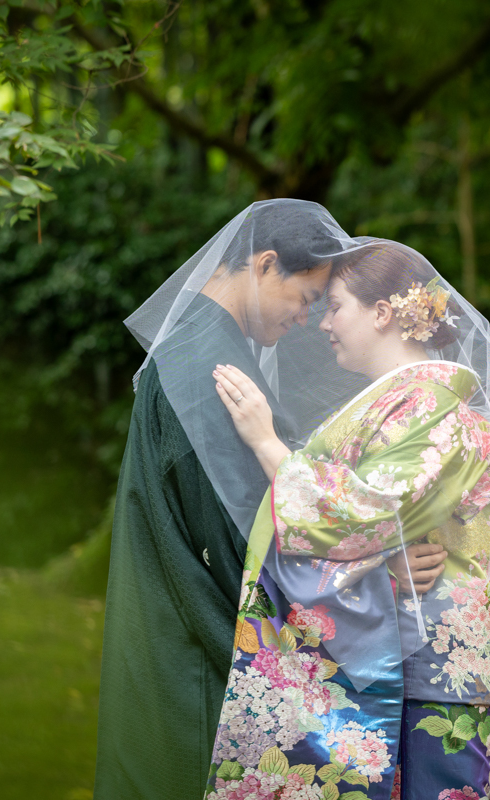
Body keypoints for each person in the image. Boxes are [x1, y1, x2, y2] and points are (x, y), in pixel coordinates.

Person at [94, 202, 448, 800]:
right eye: (305, 298)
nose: (308, 318)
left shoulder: (198, 351)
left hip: (167, 640)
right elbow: (247, 544)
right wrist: (374, 569)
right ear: (263, 266)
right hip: (198, 668)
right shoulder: (212, 374)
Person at [206, 240, 490, 800]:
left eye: (336, 306)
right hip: (413, 661)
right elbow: (392, 528)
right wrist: (387, 563)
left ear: (383, 312)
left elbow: (366, 514)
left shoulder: (428, 405)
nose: (323, 324)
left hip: (418, 670)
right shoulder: (415, 402)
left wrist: (267, 444)